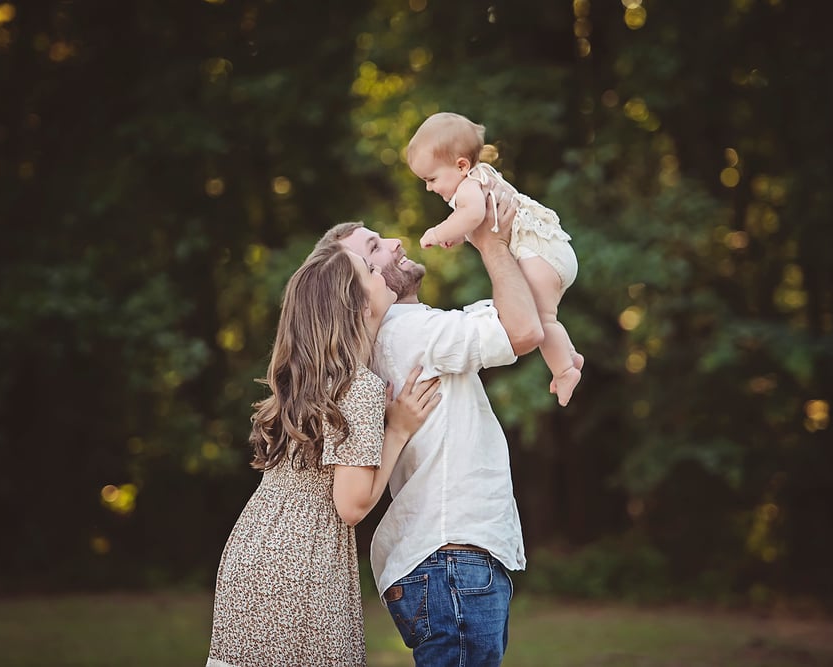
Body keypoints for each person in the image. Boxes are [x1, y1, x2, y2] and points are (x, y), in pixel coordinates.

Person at [317, 188, 544, 666]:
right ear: (361, 285)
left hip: (443, 563)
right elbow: (522, 330)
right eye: (374, 249)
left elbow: (508, 316)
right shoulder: (409, 332)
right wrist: (490, 242)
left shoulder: (405, 334)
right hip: (452, 560)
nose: (396, 242)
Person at [206, 243, 442, 667]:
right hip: (302, 562)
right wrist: (399, 431)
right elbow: (351, 505)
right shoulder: (358, 387)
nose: (381, 271)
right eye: (370, 269)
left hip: (253, 554)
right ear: (356, 306)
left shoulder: (311, 379)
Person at [408, 111, 583, 406]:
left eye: (432, 178)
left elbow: (474, 214)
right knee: (549, 318)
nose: (429, 187)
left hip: (539, 256)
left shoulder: (467, 189)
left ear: (461, 165)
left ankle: (564, 371)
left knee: (542, 320)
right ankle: (569, 355)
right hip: (553, 251)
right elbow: (480, 222)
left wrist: (438, 233)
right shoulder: (482, 175)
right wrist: (459, 234)